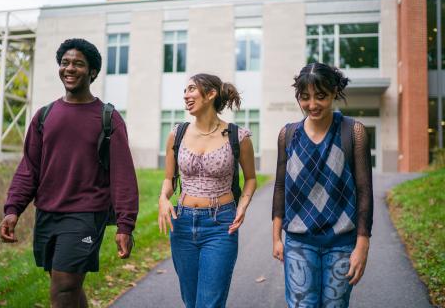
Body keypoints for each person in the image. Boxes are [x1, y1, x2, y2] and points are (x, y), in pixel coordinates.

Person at [0, 38, 139, 308]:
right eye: (65, 63)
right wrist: (13, 208)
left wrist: (125, 224)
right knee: (68, 286)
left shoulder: (107, 117)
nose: (69, 68)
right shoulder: (44, 115)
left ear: (93, 72)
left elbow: (122, 175)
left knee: (63, 287)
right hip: (48, 213)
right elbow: (29, 167)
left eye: (78, 63)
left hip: (86, 214)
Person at [272, 62, 373, 307]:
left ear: (334, 93)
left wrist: (362, 245)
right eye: (305, 97)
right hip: (298, 242)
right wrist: (276, 236)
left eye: (321, 96)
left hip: (341, 243)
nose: (312, 104)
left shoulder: (353, 131)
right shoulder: (288, 134)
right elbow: (280, 187)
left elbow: (364, 192)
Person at [158, 73, 257, 308]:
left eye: (192, 89)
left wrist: (241, 207)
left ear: (211, 94)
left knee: (209, 304)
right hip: (182, 224)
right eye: (185, 90)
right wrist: (163, 198)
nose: (186, 95)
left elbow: (251, 178)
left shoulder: (238, 136)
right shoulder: (177, 133)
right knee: (191, 302)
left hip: (220, 225)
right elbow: (168, 179)